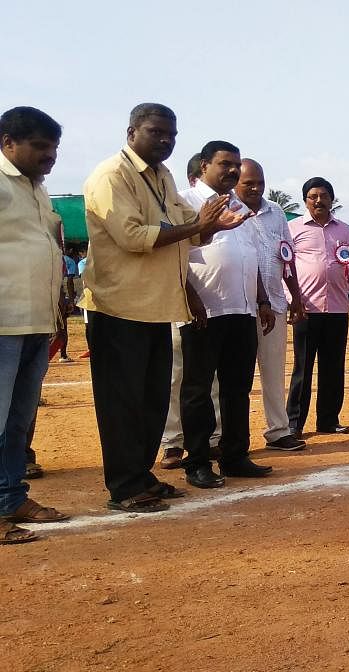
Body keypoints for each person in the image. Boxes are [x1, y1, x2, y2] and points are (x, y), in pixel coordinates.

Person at [81, 103, 246, 512]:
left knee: (152, 399)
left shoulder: (163, 177)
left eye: (172, 134)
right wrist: (200, 226)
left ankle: (141, 475)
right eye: (156, 132)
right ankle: (124, 486)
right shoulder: (111, 176)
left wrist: (210, 226)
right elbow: (134, 236)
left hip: (156, 306)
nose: (166, 141)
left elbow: (190, 231)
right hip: (118, 307)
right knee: (122, 402)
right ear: (131, 132)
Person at [175, 141, 276, 489]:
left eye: (236, 165)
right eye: (224, 164)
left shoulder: (239, 206)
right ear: (204, 166)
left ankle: (235, 455)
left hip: (243, 310)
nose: (232, 171)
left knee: (237, 388)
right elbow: (175, 258)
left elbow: (251, 256)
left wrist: (262, 299)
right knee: (198, 389)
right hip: (205, 310)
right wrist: (190, 298)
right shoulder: (184, 202)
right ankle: (198, 461)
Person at [0, 106, 71, 543]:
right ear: (8, 143)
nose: (50, 156)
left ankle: (10, 499)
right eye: (40, 146)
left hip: (36, 319)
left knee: (17, 419)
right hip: (4, 320)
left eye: (54, 148)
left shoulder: (37, 188)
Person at [236, 159, 307, 452]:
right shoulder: (226, 210)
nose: (255, 188)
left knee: (274, 370)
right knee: (231, 375)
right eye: (248, 183)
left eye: (260, 182)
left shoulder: (276, 212)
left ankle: (279, 431)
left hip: (275, 303)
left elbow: (286, 256)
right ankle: (220, 437)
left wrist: (296, 297)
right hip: (238, 305)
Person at [287, 177, 349, 437]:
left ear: (332, 199)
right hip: (305, 309)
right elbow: (285, 266)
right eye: (313, 196)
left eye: (324, 195)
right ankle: (294, 423)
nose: (319, 200)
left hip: (338, 309)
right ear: (305, 200)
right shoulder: (293, 228)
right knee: (303, 368)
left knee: (333, 367)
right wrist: (291, 300)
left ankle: (328, 420)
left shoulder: (345, 230)